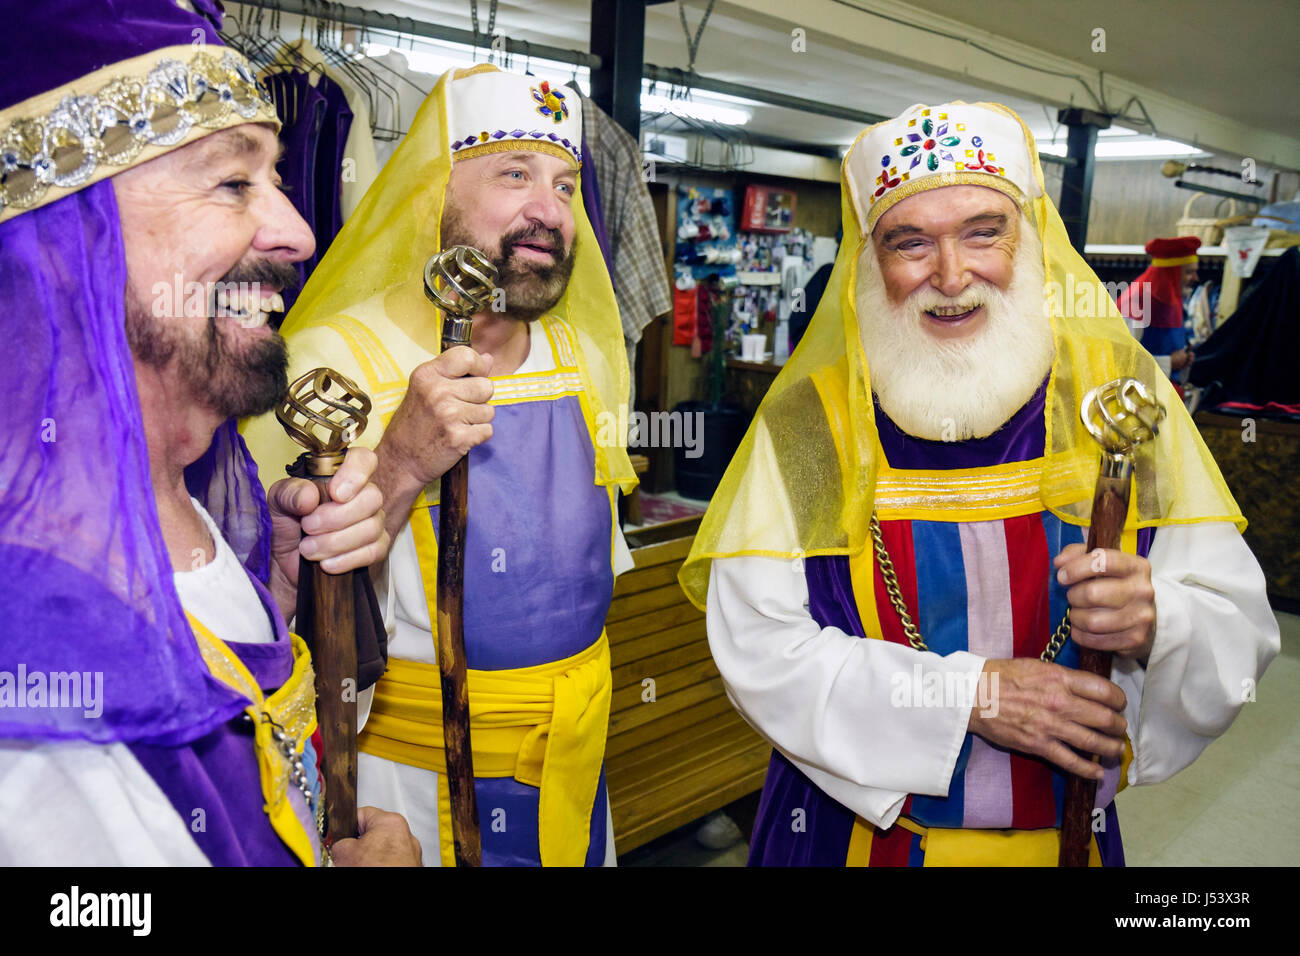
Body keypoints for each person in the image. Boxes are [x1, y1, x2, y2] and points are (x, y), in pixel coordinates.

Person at [680, 102, 1279, 866]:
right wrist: (968, 698)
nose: (952, 275)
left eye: (982, 232)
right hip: (849, 839)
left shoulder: (1122, 399)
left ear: (1027, 238)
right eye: (910, 242)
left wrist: (1160, 618)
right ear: (870, 261)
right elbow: (756, 648)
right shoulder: (805, 425)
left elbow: (1240, 623)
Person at [0, 0, 418, 866]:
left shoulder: (186, 495)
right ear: (67, 236)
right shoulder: (37, 684)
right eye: (233, 183)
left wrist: (283, 596)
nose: (300, 234)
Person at [243, 64, 638, 866]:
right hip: (409, 782)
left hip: (573, 767)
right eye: (515, 174)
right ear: (432, 195)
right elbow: (268, 617)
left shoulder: (586, 355)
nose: (549, 210)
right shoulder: (328, 362)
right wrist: (397, 463)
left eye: (565, 185)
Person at [1118, 236, 1201, 382]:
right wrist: (1169, 363)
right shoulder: (1136, 301)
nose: (1196, 278)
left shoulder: (1174, 299)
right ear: (1170, 273)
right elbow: (1120, 359)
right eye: (1188, 272)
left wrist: (1184, 358)